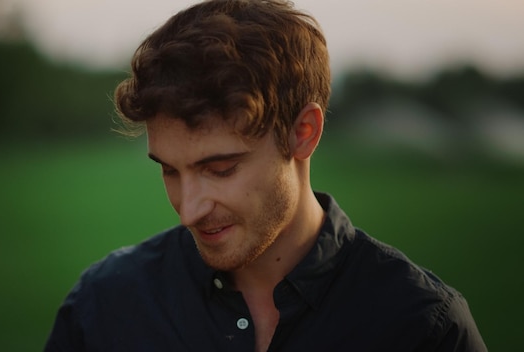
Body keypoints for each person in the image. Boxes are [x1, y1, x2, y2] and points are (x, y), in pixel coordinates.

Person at [45, 0, 486, 351]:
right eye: (169, 171)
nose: (190, 211)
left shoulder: (421, 328)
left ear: (303, 133)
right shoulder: (104, 306)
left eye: (219, 169)